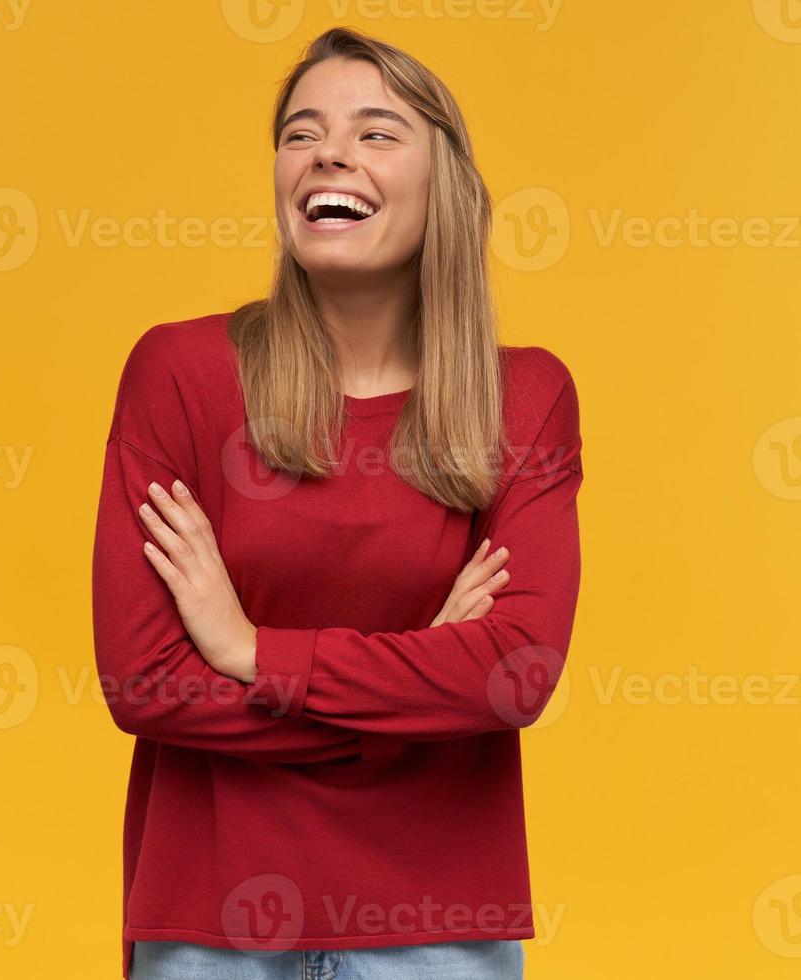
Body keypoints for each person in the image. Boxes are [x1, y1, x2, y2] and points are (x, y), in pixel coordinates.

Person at [90, 26, 583, 980]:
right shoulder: (182, 374)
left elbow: (514, 675)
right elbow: (143, 682)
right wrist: (418, 681)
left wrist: (249, 651)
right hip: (211, 920)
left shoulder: (523, 398)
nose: (328, 153)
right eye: (301, 132)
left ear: (449, 185)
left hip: (439, 925)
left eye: (377, 132)